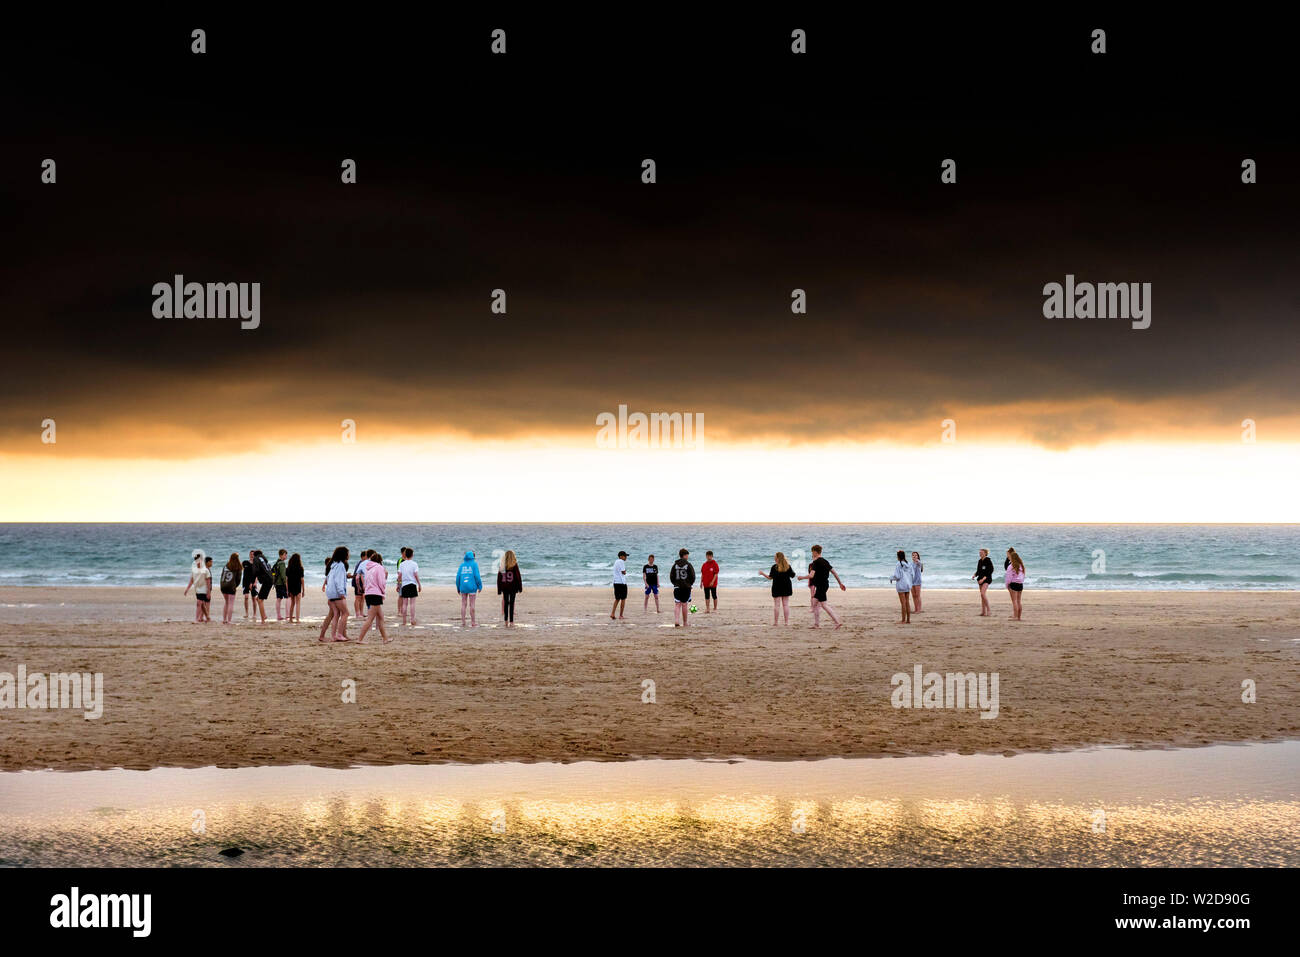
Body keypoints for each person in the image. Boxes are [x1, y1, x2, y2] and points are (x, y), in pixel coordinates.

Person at [799, 545, 844, 628]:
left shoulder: (816, 562)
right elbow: (834, 573)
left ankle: (837, 622)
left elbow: (811, 575)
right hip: (825, 585)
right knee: (815, 603)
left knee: (824, 605)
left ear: (815, 552)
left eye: (812, 552)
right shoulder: (825, 561)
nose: (812, 554)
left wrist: (802, 577)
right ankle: (816, 624)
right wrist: (840, 583)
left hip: (821, 586)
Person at [356, 551, 390, 643]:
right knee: (370, 619)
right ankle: (359, 639)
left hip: (369, 594)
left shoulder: (369, 568)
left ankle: (385, 639)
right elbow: (381, 582)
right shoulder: (379, 568)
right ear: (380, 561)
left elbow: (366, 581)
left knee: (381, 617)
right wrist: (383, 592)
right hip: (376, 594)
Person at [319, 546, 351, 642]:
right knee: (345, 613)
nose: (349, 555)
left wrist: (346, 576)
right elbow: (338, 580)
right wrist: (341, 592)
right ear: (344, 554)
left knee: (335, 614)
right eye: (348, 553)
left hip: (331, 593)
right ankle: (339, 635)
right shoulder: (341, 565)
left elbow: (330, 578)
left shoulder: (333, 564)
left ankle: (330, 636)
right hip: (337, 593)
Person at [759, 551, 797, 625]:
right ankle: (786, 622)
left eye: (775, 557)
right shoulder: (787, 566)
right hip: (786, 586)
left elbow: (770, 578)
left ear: (777, 558)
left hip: (777, 586)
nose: (774, 558)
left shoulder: (774, 567)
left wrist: (762, 573)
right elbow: (793, 575)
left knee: (777, 605)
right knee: (785, 605)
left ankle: (776, 622)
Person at [669, 548, 696, 628]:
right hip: (686, 587)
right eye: (687, 555)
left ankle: (677, 621)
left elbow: (671, 576)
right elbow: (692, 576)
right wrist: (689, 584)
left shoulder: (675, 565)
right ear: (684, 555)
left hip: (677, 587)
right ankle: (685, 623)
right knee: (684, 604)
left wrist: (675, 583)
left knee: (677, 604)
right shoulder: (688, 565)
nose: (688, 556)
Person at [456, 549, 483, 627]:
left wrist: (458, 587)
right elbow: (477, 576)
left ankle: (463, 622)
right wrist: (480, 585)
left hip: (463, 587)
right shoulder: (474, 564)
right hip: (472, 587)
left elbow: (458, 577)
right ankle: (473, 622)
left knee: (463, 604)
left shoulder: (462, 565)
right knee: (472, 604)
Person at [497, 549, 523, 626]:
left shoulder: (502, 566)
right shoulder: (515, 565)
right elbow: (518, 577)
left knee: (506, 603)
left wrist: (499, 589)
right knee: (511, 603)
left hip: (505, 587)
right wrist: (520, 587)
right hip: (513, 587)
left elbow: (499, 578)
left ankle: (505, 621)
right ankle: (511, 622)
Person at [397, 547, 421, 625]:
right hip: (412, 584)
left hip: (404, 585)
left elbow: (399, 575)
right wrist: (419, 584)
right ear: (412, 555)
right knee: (412, 603)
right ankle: (412, 620)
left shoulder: (402, 564)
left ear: (405, 554)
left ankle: (404, 621)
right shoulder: (414, 564)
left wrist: (398, 584)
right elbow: (416, 575)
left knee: (404, 604)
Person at [184, 553, 211, 623]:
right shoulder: (194, 569)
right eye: (196, 560)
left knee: (199, 603)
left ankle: (196, 619)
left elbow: (208, 581)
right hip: (197, 589)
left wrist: (208, 592)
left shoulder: (205, 570)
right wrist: (187, 589)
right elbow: (191, 580)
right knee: (201, 604)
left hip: (204, 589)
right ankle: (208, 617)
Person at [890, 550, 914, 623]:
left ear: (898, 556)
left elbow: (897, 576)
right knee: (907, 602)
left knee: (903, 603)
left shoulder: (898, 564)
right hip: (908, 585)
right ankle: (908, 620)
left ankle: (903, 620)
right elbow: (913, 574)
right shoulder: (909, 564)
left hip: (901, 585)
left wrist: (891, 578)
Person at [1004, 547, 1026, 620]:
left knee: (1014, 601)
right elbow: (1023, 576)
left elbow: (1008, 578)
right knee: (1019, 601)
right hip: (1020, 584)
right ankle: (1019, 617)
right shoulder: (1021, 566)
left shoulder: (1010, 566)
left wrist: (1007, 585)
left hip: (1013, 584)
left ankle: (1015, 616)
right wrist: (1020, 581)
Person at [219, 553, 241, 624]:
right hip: (231, 587)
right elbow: (238, 579)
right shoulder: (238, 566)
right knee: (231, 603)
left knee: (226, 602)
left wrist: (222, 585)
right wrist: (235, 586)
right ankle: (229, 621)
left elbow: (222, 576)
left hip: (223, 586)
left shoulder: (226, 565)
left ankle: (224, 619)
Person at [251, 550, 273, 623]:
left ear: (254, 555)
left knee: (260, 600)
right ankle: (264, 615)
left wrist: (252, 582)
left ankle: (263, 620)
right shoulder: (263, 559)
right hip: (270, 579)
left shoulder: (256, 559)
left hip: (267, 580)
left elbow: (255, 571)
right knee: (258, 599)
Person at [972, 548, 994, 616]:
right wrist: (974, 575)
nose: (980, 554)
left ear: (985, 553)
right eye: (979, 553)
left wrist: (983, 579)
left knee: (982, 593)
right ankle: (983, 612)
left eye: (981, 553)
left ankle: (989, 610)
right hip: (980, 579)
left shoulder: (988, 560)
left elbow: (991, 570)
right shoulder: (979, 561)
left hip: (987, 579)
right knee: (982, 596)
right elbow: (978, 571)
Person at [352, 549, 372, 620]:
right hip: (357, 581)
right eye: (366, 556)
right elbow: (357, 574)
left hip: (362, 581)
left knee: (363, 598)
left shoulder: (363, 563)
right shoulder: (360, 563)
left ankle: (361, 612)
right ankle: (357, 613)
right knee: (358, 598)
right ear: (363, 557)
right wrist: (358, 585)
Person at [286, 553, 305, 623]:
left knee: (292, 603)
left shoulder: (288, 568)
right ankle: (297, 619)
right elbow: (302, 579)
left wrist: (287, 590)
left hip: (291, 587)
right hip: (297, 587)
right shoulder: (300, 568)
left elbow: (287, 580)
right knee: (298, 603)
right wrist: (303, 590)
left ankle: (290, 619)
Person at [610, 550, 629, 621]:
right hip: (621, 583)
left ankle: (612, 613)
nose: (626, 557)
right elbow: (623, 572)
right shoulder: (621, 561)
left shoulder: (616, 562)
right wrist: (625, 572)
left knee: (617, 599)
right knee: (623, 599)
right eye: (625, 556)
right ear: (621, 556)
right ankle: (621, 615)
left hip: (616, 582)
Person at [272, 549, 290, 621]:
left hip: (277, 584)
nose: (286, 556)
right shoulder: (282, 563)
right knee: (288, 597)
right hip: (282, 584)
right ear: (281, 555)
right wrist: (286, 584)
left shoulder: (277, 562)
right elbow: (283, 575)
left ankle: (278, 615)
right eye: (285, 555)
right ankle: (287, 615)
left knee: (278, 599)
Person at [241, 552, 255, 618]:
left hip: (253, 582)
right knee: (246, 597)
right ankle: (246, 613)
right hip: (245, 582)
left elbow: (257, 574)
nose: (252, 555)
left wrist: (254, 582)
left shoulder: (256, 563)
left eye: (253, 554)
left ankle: (254, 614)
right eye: (251, 554)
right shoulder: (245, 562)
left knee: (253, 598)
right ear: (249, 555)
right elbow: (239, 568)